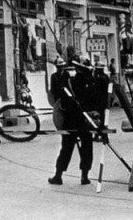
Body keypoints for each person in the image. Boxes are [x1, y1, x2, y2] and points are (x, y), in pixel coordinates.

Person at [48, 57, 98, 186]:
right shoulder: (91, 83)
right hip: (85, 120)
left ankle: (58, 175)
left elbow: (62, 102)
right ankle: (84, 176)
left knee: (66, 148)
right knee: (86, 146)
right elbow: (95, 103)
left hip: (70, 120)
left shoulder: (70, 82)